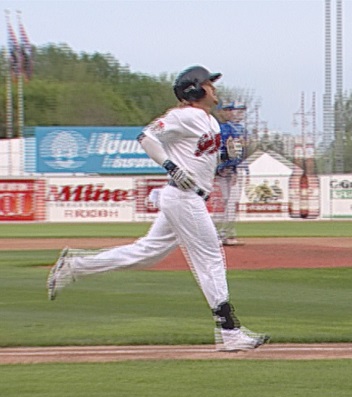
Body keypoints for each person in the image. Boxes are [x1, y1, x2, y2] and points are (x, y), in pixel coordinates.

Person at [46, 65, 269, 352]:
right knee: (210, 258)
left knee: (146, 253)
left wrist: (224, 154)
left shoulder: (209, 121)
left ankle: (75, 265)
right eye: (209, 84)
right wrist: (172, 167)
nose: (214, 88)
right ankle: (229, 331)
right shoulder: (183, 115)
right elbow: (147, 137)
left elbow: (200, 156)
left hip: (187, 197)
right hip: (184, 197)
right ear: (196, 89)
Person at [214, 101, 247, 246]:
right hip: (221, 169)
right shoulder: (216, 127)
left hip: (234, 169)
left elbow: (240, 151)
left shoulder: (239, 128)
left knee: (231, 201)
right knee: (223, 201)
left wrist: (234, 169)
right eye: (226, 110)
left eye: (230, 110)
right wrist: (221, 167)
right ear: (219, 111)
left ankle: (227, 233)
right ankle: (218, 234)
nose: (229, 112)